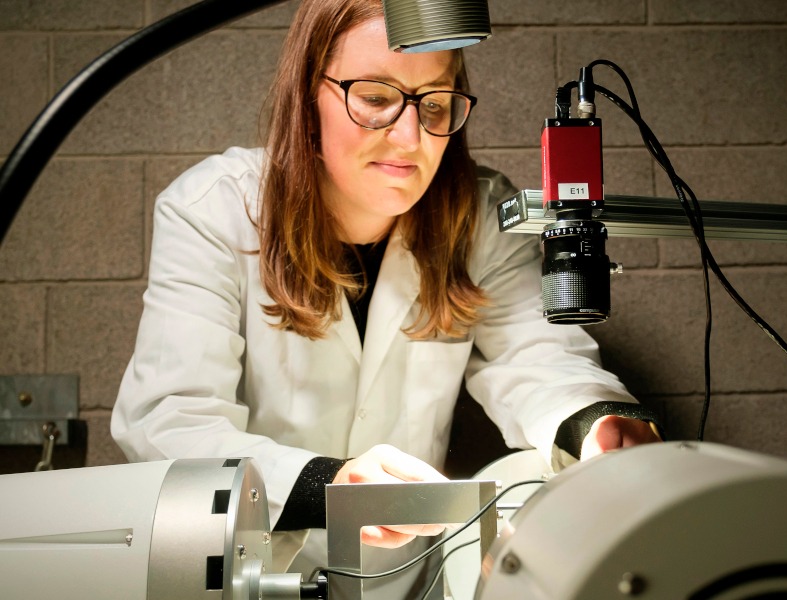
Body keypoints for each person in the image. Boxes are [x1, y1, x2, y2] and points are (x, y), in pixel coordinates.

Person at [111, 0, 661, 595]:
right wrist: (329, 486)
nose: (410, 137)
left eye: (434, 103)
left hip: (402, 580)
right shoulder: (214, 209)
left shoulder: (480, 217)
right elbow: (169, 422)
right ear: (308, 99)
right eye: (375, 97)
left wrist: (598, 422)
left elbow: (539, 361)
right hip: (253, 574)